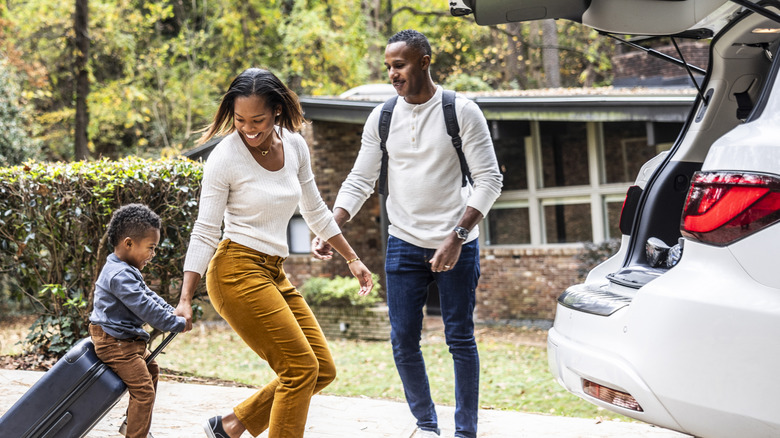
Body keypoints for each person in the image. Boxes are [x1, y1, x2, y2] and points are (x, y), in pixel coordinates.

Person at [312, 30, 503, 438]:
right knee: (402, 341)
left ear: (424, 61)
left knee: (459, 338)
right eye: (388, 68)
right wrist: (333, 224)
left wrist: (457, 236)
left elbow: (489, 180)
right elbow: (360, 179)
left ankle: (464, 431)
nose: (393, 75)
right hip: (403, 241)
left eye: (399, 65)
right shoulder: (382, 117)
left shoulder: (461, 111)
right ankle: (427, 426)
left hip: (456, 242)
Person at [173, 67, 374, 438]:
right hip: (235, 270)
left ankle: (230, 426)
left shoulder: (295, 145)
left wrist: (352, 258)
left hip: (272, 271)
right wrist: (185, 298)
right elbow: (205, 230)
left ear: (277, 111)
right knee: (299, 369)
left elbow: (315, 209)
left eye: (259, 120)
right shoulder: (225, 157)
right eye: (240, 120)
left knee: (321, 369)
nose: (249, 129)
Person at [89, 203, 188, 438]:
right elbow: (145, 307)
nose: (153, 254)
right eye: (151, 247)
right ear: (129, 243)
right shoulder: (120, 275)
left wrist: (171, 311)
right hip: (115, 344)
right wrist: (175, 323)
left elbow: (148, 296)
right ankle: (136, 434)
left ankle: (131, 424)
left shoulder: (124, 268)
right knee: (143, 390)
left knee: (151, 369)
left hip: (124, 342)